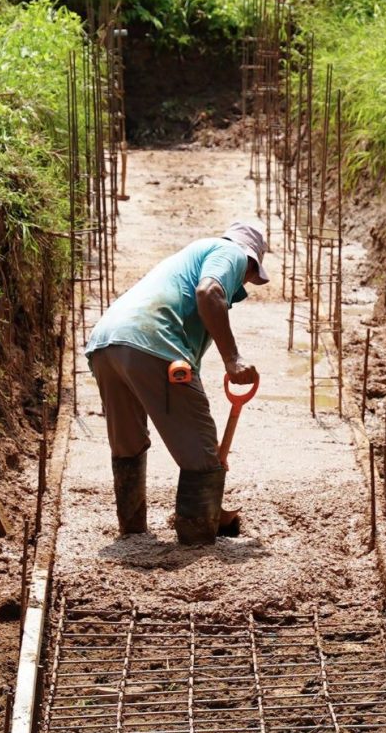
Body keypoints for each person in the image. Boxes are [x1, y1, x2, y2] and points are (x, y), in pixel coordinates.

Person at [85, 219, 268, 546]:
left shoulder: (187, 257)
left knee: (128, 444)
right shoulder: (230, 253)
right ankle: (196, 539)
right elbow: (209, 291)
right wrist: (233, 358)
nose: (246, 282)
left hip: (106, 343)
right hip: (152, 342)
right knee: (202, 453)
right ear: (252, 263)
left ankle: (133, 533)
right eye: (251, 277)